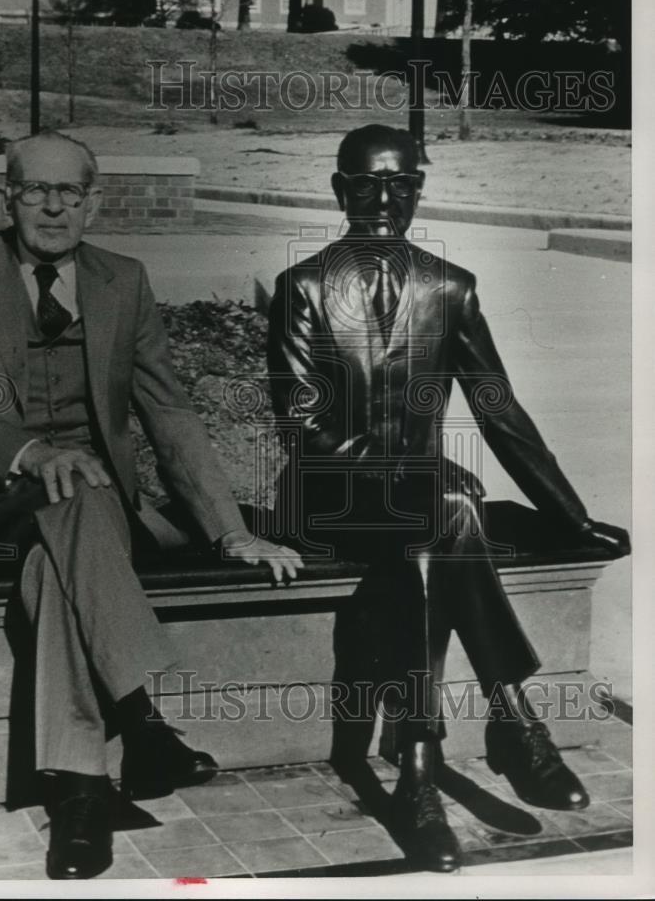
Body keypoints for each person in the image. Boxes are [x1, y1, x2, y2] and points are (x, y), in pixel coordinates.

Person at [0, 131, 302, 880]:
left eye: (69, 191)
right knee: (76, 487)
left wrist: (229, 531)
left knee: (60, 563)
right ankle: (143, 720)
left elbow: (170, 412)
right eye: (34, 190)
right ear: (8, 198)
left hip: (87, 513)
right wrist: (28, 454)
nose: (52, 205)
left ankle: (82, 788)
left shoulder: (123, 279)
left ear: (94, 202)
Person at [266, 124, 629, 873]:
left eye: (400, 183)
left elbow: (499, 410)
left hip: (418, 514)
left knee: (435, 527)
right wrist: (413, 472)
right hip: (327, 500)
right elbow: (303, 429)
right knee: (449, 508)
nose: (382, 199)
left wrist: (569, 515)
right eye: (364, 183)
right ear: (338, 191)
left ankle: (420, 770)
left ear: (419, 192)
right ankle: (510, 721)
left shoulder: (450, 288)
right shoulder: (301, 287)